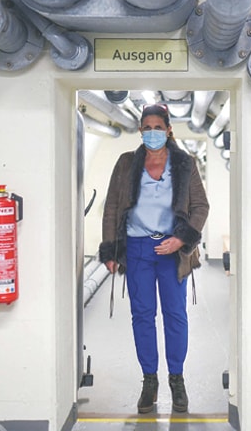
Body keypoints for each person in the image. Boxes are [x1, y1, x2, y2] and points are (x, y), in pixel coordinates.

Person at [98, 103, 210, 414]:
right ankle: (150, 380)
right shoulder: (126, 164)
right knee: (143, 316)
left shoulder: (185, 164)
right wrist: (111, 249)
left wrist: (181, 239)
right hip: (137, 250)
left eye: (157, 128)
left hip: (174, 252)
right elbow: (111, 209)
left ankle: (177, 379)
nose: (151, 133)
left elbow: (201, 207)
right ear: (140, 131)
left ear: (168, 130)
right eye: (146, 128)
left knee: (175, 316)